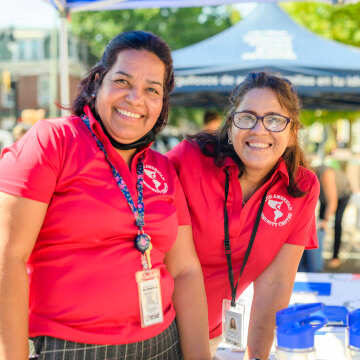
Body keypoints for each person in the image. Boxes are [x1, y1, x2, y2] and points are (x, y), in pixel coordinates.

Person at [0, 31, 210, 360]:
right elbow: (6, 258)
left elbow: (185, 270)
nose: (135, 98)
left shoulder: (163, 168)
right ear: (98, 81)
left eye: (151, 90)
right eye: (123, 81)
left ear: (162, 104)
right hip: (73, 347)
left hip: (164, 342)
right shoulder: (53, 140)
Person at [167, 72, 320, 360]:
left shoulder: (302, 187)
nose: (259, 130)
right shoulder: (186, 159)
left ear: (292, 133)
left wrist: (258, 357)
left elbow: (275, 284)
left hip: (213, 332)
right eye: (247, 117)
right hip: (154, 328)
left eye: (275, 119)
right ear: (230, 125)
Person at [316, 164, 352, 269]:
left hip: (343, 194)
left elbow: (332, 202)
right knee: (319, 223)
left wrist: (326, 220)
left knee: (337, 222)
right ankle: (317, 256)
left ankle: (335, 257)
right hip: (324, 197)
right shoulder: (306, 177)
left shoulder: (325, 174)